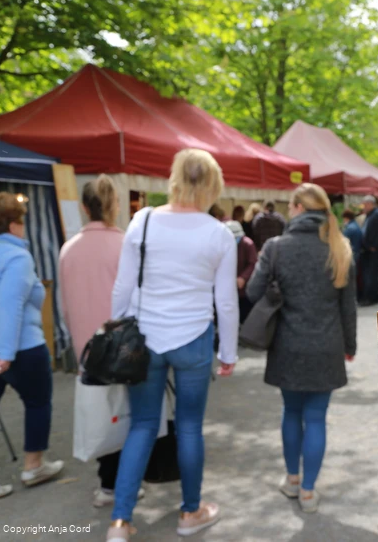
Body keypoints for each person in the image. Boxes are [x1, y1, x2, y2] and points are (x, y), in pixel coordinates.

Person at [106, 149, 239, 542]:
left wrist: (115, 334)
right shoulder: (219, 233)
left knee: (143, 426)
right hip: (194, 339)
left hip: (143, 339)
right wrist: (228, 353)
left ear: (174, 178)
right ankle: (190, 512)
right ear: (213, 185)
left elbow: (123, 286)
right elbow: (226, 301)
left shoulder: (142, 220)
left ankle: (120, 521)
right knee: (190, 427)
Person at [245, 182, 357, 514]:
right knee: (317, 418)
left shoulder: (276, 247)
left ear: (295, 208)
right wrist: (349, 345)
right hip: (327, 345)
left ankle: (292, 479)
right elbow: (347, 307)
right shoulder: (340, 248)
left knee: (291, 412)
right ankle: (308, 492)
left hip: (287, 346)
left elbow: (253, 292)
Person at [59, 175, 147, 508]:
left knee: (103, 415)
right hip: (125, 345)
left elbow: (65, 306)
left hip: (88, 347)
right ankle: (120, 483)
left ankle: (108, 482)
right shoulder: (125, 245)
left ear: (84, 207)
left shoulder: (69, 249)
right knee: (127, 414)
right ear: (115, 205)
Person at [0, 192, 65, 499]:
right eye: (21, 220)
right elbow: (11, 305)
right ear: (13, 225)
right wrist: (6, 356)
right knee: (37, 403)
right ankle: (33, 465)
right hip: (21, 348)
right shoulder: (17, 257)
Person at [225, 220, 258, 324]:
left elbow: (253, 263)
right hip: (228, 287)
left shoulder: (248, 244)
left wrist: (243, 277)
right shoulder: (223, 244)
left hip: (244, 290)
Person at [358, 195, 378, 306]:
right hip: (367, 249)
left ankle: (371, 297)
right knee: (368, 274)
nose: (364, 207)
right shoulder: (370, 215)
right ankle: (370, 296)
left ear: (370, 204)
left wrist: (374, 245)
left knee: (371, 274)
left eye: (365, 205)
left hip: (373, 250)